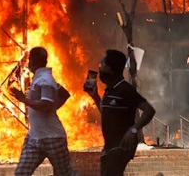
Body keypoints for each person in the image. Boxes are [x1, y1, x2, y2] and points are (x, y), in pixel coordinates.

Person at [83, 49, 155, 176]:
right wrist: (95, 96)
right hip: (110, 145)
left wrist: (133, 130)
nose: (100, 69)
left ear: (111, 69)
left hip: (121, 146)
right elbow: (106, 113)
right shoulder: (109, 91)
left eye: (103, 65)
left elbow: (149, 110)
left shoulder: (125, 90)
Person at [9, 47, 77, 176]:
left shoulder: (44, 80)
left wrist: (23, 99)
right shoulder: (42, 78)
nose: (28, 63)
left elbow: (46, 105)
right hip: (34, 137)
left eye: (29, 60)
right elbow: (64, 94)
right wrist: (53, 108)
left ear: (33, 61)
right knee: (21, 173)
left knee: (65, 173)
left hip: (53, 138)